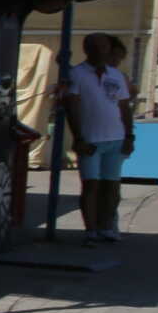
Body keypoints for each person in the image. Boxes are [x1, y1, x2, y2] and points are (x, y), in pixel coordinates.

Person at [65, 33, 133, 242]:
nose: (101, 51)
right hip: (90, 139)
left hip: (116, 138)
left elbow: (124, 107)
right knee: (91, 185)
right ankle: (91, 229)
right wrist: (78, 137)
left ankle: (107, 225)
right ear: (87, 49)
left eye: (104, 46)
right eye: (96, 47)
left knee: (112, 186)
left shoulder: (116, 75)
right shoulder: (77, 74)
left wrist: (130, 136)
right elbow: (71, 106)